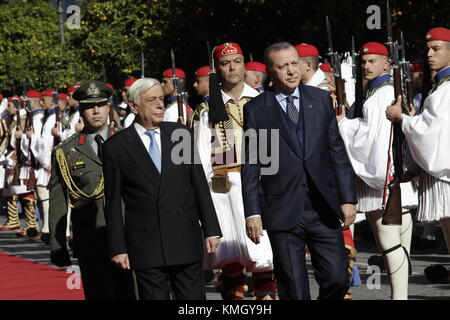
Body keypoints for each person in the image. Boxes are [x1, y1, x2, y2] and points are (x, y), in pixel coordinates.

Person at [242, 42, 357, 300]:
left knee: (338, 278)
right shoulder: (257, 109)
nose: (292, 71)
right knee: (293, 286)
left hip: (322, 207)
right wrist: (252, 212)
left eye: (295, 63)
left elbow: (335, 150)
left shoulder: (320, 99)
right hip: (282, 208)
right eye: (283, 66)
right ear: (270, 72)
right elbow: (252, 163)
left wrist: (348, 197)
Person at [102, 77, 221, 300]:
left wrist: (211, 228)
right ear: (134, 106)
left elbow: (198, 184)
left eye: (161, 99)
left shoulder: (180, 134)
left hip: (184, 238)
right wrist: (118, 247)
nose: (160, 105)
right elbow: (113, 203)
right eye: (152, 100)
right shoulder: (116, 147)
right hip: (146, 244)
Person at [193, 42, 278, 300]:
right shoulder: (207, 109)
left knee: (264, 258)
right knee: (231, 261)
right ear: (217, 69)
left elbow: (274, 151)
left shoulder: (264, 101)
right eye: (225, 63)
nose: (232, 67)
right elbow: (199, 158)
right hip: (223, 186)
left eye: (237, 61)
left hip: (260, 183)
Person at [339, 42, 416, 300]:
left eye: (372, 61)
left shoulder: (382, 93)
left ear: (387, 64)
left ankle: (400, 297)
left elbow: (371, 140)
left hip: (382, 179)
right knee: (394, 243)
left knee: (390, 243)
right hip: (385, 177)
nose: (365, 66)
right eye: (363, 62)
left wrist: (344, 125)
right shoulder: (376, 92)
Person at [48, 80, 136, 300]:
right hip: (91, 240)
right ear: (81, 109)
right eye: (89, 106)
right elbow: (58, 199)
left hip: (130, 237)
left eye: (100, 104)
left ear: (109, 107)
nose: (96, 110)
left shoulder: (130, 141)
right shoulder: (66, 151)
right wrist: (57, 245)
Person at [386, 27, 450, 270]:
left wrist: (402, 119)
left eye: (436, 49)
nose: (430, 54)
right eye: (428, 49)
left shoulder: (446, 88)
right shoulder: (440, 85)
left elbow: (435, 134)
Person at [0, 96, 38, 236]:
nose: (7, 108)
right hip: (14, 158)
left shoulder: (24, 119)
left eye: (10, 105)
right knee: (13, 191)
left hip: (22, 159)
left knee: (25, 192)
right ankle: (14, 219)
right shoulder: (15, 119)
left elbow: (26, 140)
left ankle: (31, 224)